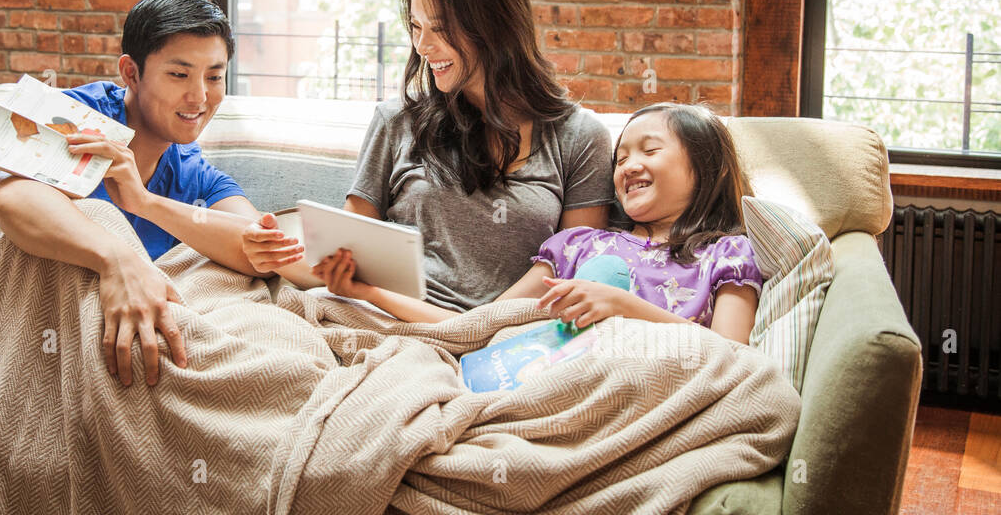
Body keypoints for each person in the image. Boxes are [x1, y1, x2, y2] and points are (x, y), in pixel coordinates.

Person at [0, 0, 276, 387]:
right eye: (179, 74)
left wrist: (146, 202)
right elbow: (9, 199)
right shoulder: (71, 116)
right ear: (131, 73)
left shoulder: (192, 170)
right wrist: (120, 260)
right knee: (95, 223)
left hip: (21, 324)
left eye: (215, 76)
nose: (199, 96)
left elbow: (258, 247)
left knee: (216, 284)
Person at [241, 0, 616, 313]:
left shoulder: (579, 137)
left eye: (439, 28)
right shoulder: (396, 120)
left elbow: (574, 264)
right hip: (381, 317)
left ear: (495, 25)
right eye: (416, 27)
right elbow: (344, 253)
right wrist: (273, 254)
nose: (421, 46)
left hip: (501, 333)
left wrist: (473, 331)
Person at [318, 102, 764, 345]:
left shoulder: (727, 254)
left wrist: (623, 306)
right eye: (621, 156)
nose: (628, 165)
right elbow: (480, 327)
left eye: (649, 150)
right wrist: (363, 291)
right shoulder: (577, 246)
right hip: (552, 381)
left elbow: (732, 357)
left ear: (706, 167)